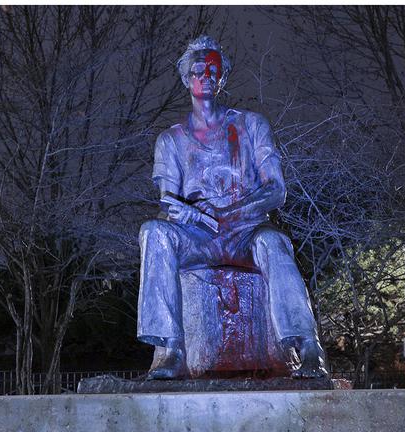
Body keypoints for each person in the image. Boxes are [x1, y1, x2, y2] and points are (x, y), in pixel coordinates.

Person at [138, 35, 327, 380]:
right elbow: (167, 200)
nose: (205, 76)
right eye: (198, 70)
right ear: (185, 78)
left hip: (245, 233)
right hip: (199, 238)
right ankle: (170, 348)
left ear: (222, 78)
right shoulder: (171, 140)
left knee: (274, 242)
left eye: (213, 70)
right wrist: (186, 214)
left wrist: (231, 213)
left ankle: (307, 345)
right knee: (153, 232)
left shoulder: (252, 125)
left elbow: (275, 190)